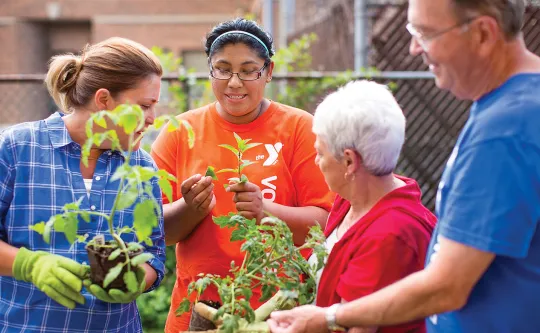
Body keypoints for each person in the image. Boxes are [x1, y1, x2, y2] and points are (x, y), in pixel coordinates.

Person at [268, 0, 540, 332]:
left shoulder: (506, 131)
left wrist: (328, 316)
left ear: (483, 33)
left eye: (425, 33)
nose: (413, 48)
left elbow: (447, 285)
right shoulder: (513, 106)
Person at [150, 18, 334, 333]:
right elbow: (155, 231)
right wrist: (189, 209)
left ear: (269, 72)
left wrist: (266, 212)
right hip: (197, 312)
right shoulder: (180, 131)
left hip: (277, 312)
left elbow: (326, 223)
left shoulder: (300, 129)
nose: (235, 82)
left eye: (249, 71)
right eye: (223, 69)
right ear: (210, 70)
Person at [0, 37, 166, 332]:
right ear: (103, 100)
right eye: (144, 105)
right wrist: (29, 265)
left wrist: (138, 277)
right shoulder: (18, 149)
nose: (152, 119)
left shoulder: (140, 167)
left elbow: (153, 251)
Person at [305, 80, 436, 333]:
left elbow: (357, 327)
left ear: (349, 161)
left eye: (320, 153)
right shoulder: (352, 197)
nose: (316, 161)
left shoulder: (388, 235)